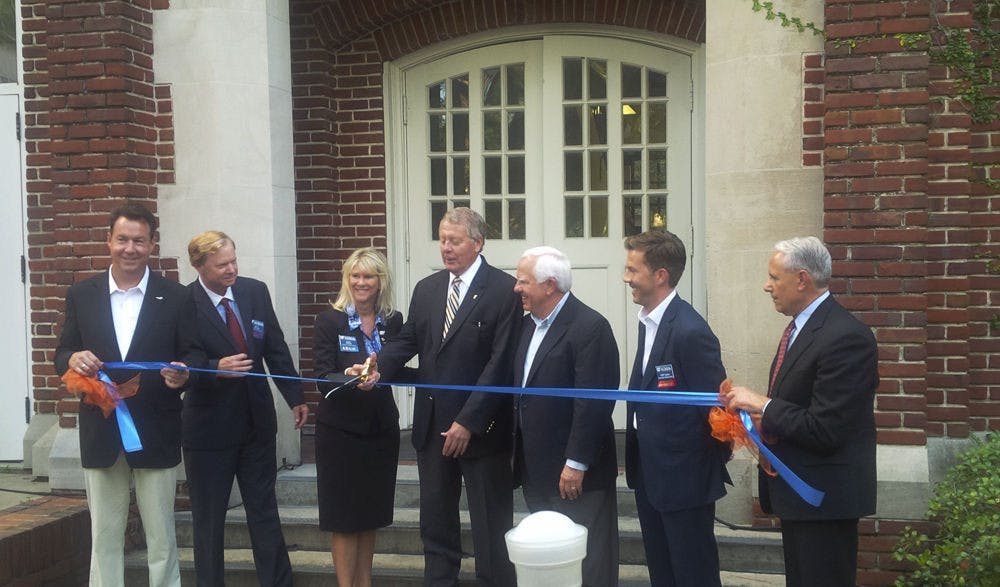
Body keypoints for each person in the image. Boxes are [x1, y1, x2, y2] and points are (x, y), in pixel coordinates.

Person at [360, 207, 521, 586]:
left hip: (482, 431)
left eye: (455, 241)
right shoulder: (428, 289)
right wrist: (378, 367)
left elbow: (501, 364)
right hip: (432, 430)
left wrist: (469, 420)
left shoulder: (503, 291)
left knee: (490, 525)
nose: (445, 248)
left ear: (478, 243)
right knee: (435, 523)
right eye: (442, 239)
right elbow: (407, 341)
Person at [719, 236, 878, 587]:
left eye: (775, 277)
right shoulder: (798, 328)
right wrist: (753, 422)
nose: (767, 286)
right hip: (799, 498)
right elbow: (796, 407)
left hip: (824, 498)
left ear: (802, 279)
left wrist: (763, 405)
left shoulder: (846, 337)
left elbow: (826, 428)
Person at [54, 201, 191, 587]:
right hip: (101, 429)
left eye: (139, 241)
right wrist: (73, 357)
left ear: (152, 244)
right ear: (109, 241)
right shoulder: (82, 294)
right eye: (123, 240)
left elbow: (192, 354)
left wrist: (183, 377)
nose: (130, 249)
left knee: (162, 536)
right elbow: (61, 353)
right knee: (104, 535)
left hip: (157, 428)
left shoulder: (176, 296)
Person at [180, 230, 309, 587]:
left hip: (256, 425)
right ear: (199, 265)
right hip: (209, 430)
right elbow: (181, 361)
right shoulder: (184, 302)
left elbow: (276, 348)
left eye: (234, 260)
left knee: (264, 512)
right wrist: (213, 368)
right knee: (209, 521)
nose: (232, 269)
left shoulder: (254, 291)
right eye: (222, 265)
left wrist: (294, 396)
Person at [622, 230, 730, 587]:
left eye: (633, 270)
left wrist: (696, 470)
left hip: (685, 480)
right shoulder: (648, 322)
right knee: (663, 572)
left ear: (661, 275)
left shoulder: (689, 331)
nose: (627, 278)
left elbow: (716, 414)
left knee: (692, 573)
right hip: (651, 475)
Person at [511, 246, 620, 587]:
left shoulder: (590, 328)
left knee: (589, 564)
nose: (516, 288)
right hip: (537, 470)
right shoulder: (527, 327)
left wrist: (576, 463)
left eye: (523, 281)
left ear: (550, 285)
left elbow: (593, 403)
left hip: (575, 477)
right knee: (551, 561)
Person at [312, 247, 407, 587]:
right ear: (346, 279)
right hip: (340, 433)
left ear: (381, 281)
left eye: (368, 276)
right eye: (355, 275)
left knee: (370, 517)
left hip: (381, 431)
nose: (361, 282)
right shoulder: (329, 320)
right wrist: (351, 377)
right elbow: (322, 378)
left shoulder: (392, 321)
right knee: (344, 519)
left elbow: (396, 369)